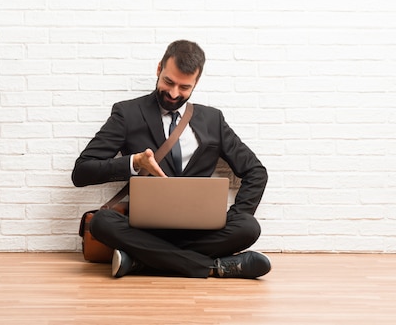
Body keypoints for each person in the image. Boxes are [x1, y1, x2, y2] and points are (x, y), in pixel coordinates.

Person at [72, 40, 270, 279]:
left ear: (196, 83)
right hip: (145, 229)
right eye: (168, 82)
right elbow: (82, 172)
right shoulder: (128, 113)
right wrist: (134, 162)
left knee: (248, 227)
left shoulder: (212, 120)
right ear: (159, 69)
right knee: (102, 222)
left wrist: (235, 214)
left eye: (184, 87)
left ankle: (140, 261)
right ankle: (214, 267)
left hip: (200, 231)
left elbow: (256, 171)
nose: (174, 93)